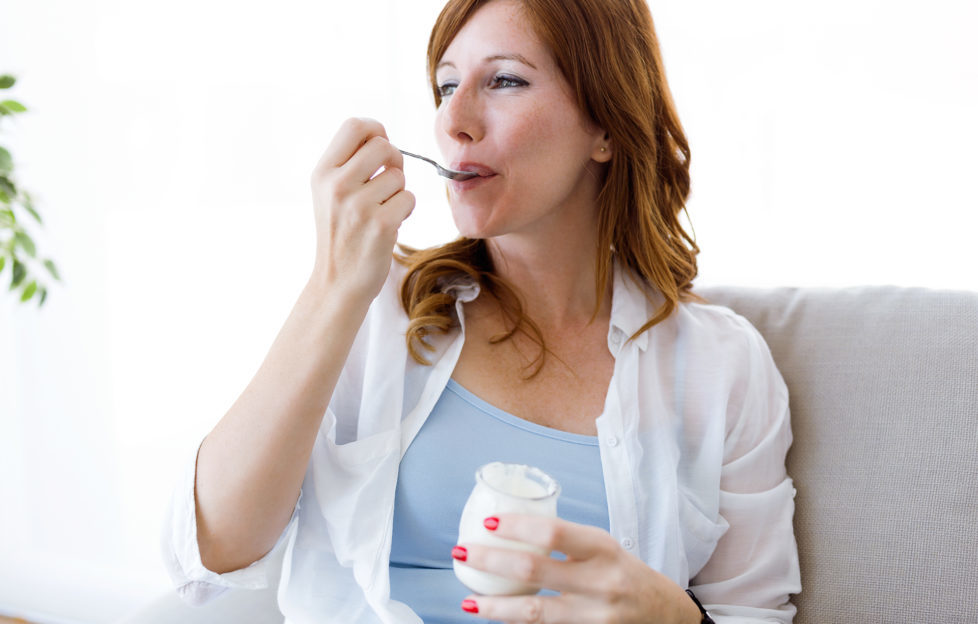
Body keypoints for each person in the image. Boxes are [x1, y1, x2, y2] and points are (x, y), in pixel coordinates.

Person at [163, 0, 801, 622]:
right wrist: (333, 287)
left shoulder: (724, 366)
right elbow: (207, 557)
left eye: (503, 80)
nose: (453, 120)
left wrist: (672, 620)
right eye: (445, 86)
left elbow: (752, 613)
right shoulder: (374, 309)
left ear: (605, 127)